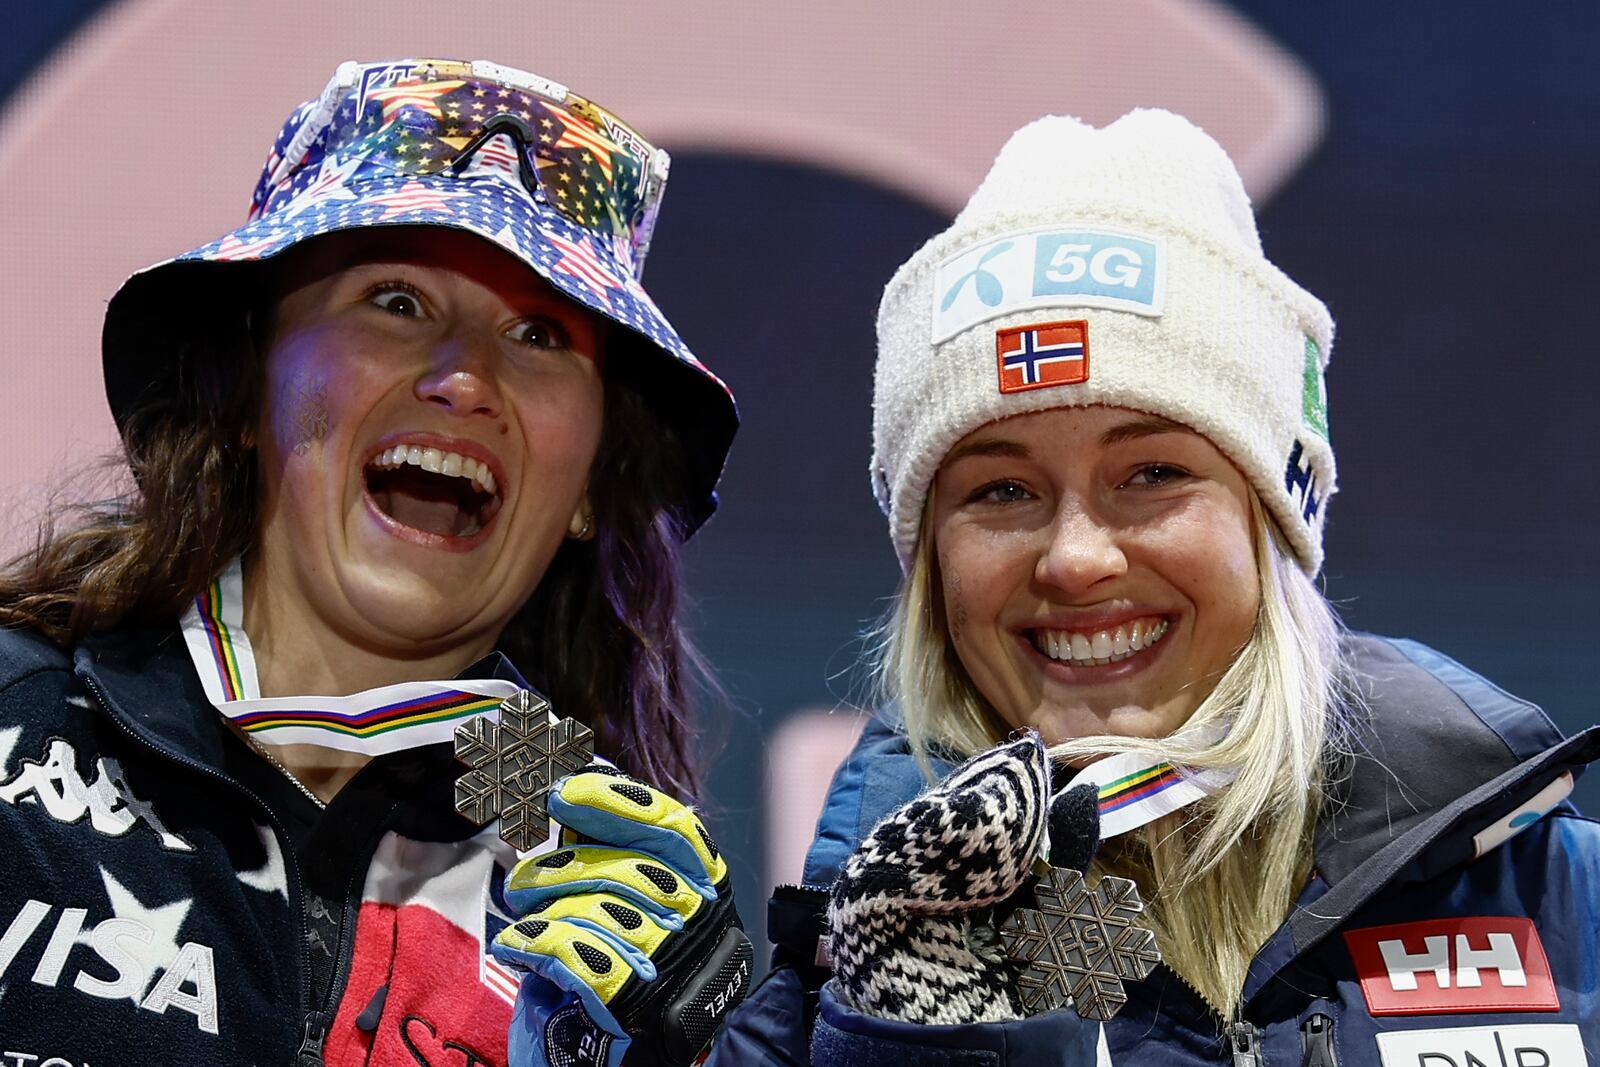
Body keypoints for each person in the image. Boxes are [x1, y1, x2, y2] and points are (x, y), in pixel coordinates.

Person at [714, 111, 1600, 1065]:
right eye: (1001, 490)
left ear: (1273, 518)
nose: (1077, 558)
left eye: (1153, 475)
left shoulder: (1562, 903)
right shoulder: (833, 1010)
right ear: (931, 566)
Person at [0, 58, 751, 1066]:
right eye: (396, 300)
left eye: (540, 333)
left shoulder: (614, 896)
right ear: (240, 392)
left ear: (587, 486)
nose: (465, 377)